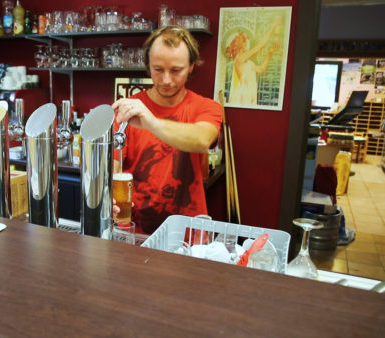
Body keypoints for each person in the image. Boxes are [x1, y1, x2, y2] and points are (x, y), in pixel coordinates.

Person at [111, 26, 223, 234]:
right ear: (148, 66)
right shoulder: (129, 109)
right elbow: (113, 166)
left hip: (189, 232)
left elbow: (201, 140)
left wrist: (150, 121)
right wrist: (107, 194)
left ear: (191, 66)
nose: (166, 80)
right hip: (135, 230)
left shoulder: (206, 107)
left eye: (176, 70)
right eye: (158, 70)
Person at [226, 16, 281, 105]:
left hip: (250, 94)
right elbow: (260, 46)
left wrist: (270, 53)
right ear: (242, 45)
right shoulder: (240, 59)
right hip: (243, 96)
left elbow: (261, 69)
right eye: (245, 43)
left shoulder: (248, 62)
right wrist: (273, 27)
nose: (247, 45)